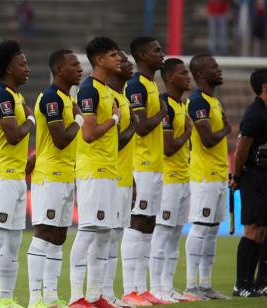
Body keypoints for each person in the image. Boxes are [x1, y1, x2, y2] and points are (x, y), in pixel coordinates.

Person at [0, 40, 33, 308]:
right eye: (22, 64)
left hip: (16, 178)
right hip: (1, 177)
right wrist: (31, 120)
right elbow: (13, 135)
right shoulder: (1, 96)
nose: (27, 69)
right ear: (9, 68)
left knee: (12, 243)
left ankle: (7, 299)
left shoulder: (17, 97)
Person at [27, 49, 82, 308]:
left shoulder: (64, 98)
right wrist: (80, 118)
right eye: (74, 65)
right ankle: (35, 297)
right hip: (50, 174)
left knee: (60, 235)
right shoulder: (51, 98)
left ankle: (50, 295)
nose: (80, 69)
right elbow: (60, 140)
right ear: (59, 70)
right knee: (44, 232)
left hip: (66, 173)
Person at [69, 37, 121, 308]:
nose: (119, 59)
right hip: (93, 170)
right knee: (89, 230)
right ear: (99, 60)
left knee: (105, 233)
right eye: (113, 55)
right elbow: (88, 134)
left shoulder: (107, 90)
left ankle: (95, 295)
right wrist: (114, 119)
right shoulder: (89, 89)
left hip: (109, 170)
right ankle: (77, 297)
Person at [120, 36, 167, 306]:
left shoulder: (150, 84)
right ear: (141, 55)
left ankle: (142, 287)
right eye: (156, 51)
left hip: (155, 166)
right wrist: (161, 113)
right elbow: (141, 126)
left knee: (149, 225)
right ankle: (130, 290)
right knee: (137, 222)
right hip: (141, 165)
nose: (161, 54)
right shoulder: (136, 85)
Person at [184, 53, 230, 300]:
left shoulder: (214, 101)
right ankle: (191, 286)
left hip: (219, 174)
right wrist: (227, 129)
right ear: (201, 74)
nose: (219, 69)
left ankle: (206, 285)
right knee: (201, 228)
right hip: (203, 176)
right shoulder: (198, 102)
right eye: (214, 67)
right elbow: (208, 140)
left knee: (212, 230)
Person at [148, 58, 194, 303]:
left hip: (183, 177)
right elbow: (167, 147)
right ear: (169, 78)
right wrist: (188, 131)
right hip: (168, 179)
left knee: (176, 233)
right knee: (163, 232)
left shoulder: (181, 104)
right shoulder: (164, 104)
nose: (188, 77)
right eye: (183, 73)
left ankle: (168, 286)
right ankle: (156, 287)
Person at [103, 50, 137, 307]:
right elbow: (114, 142)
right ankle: (101, 292)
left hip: (124, 176)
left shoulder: (122, 98)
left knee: (116, 236)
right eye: (124, 61)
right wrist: (134, 123)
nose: (129, 64)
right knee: (106, 236)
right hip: (108, 177)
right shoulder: (109, 98)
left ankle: (109, 293)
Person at [232, 68, 267, 297]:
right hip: (254, 176)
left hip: (264, 176)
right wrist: (236, 177)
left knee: (264, 229)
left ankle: (260, 282)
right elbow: (242, 149)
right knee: (253, 230)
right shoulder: (255, 114)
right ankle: (242, 284)